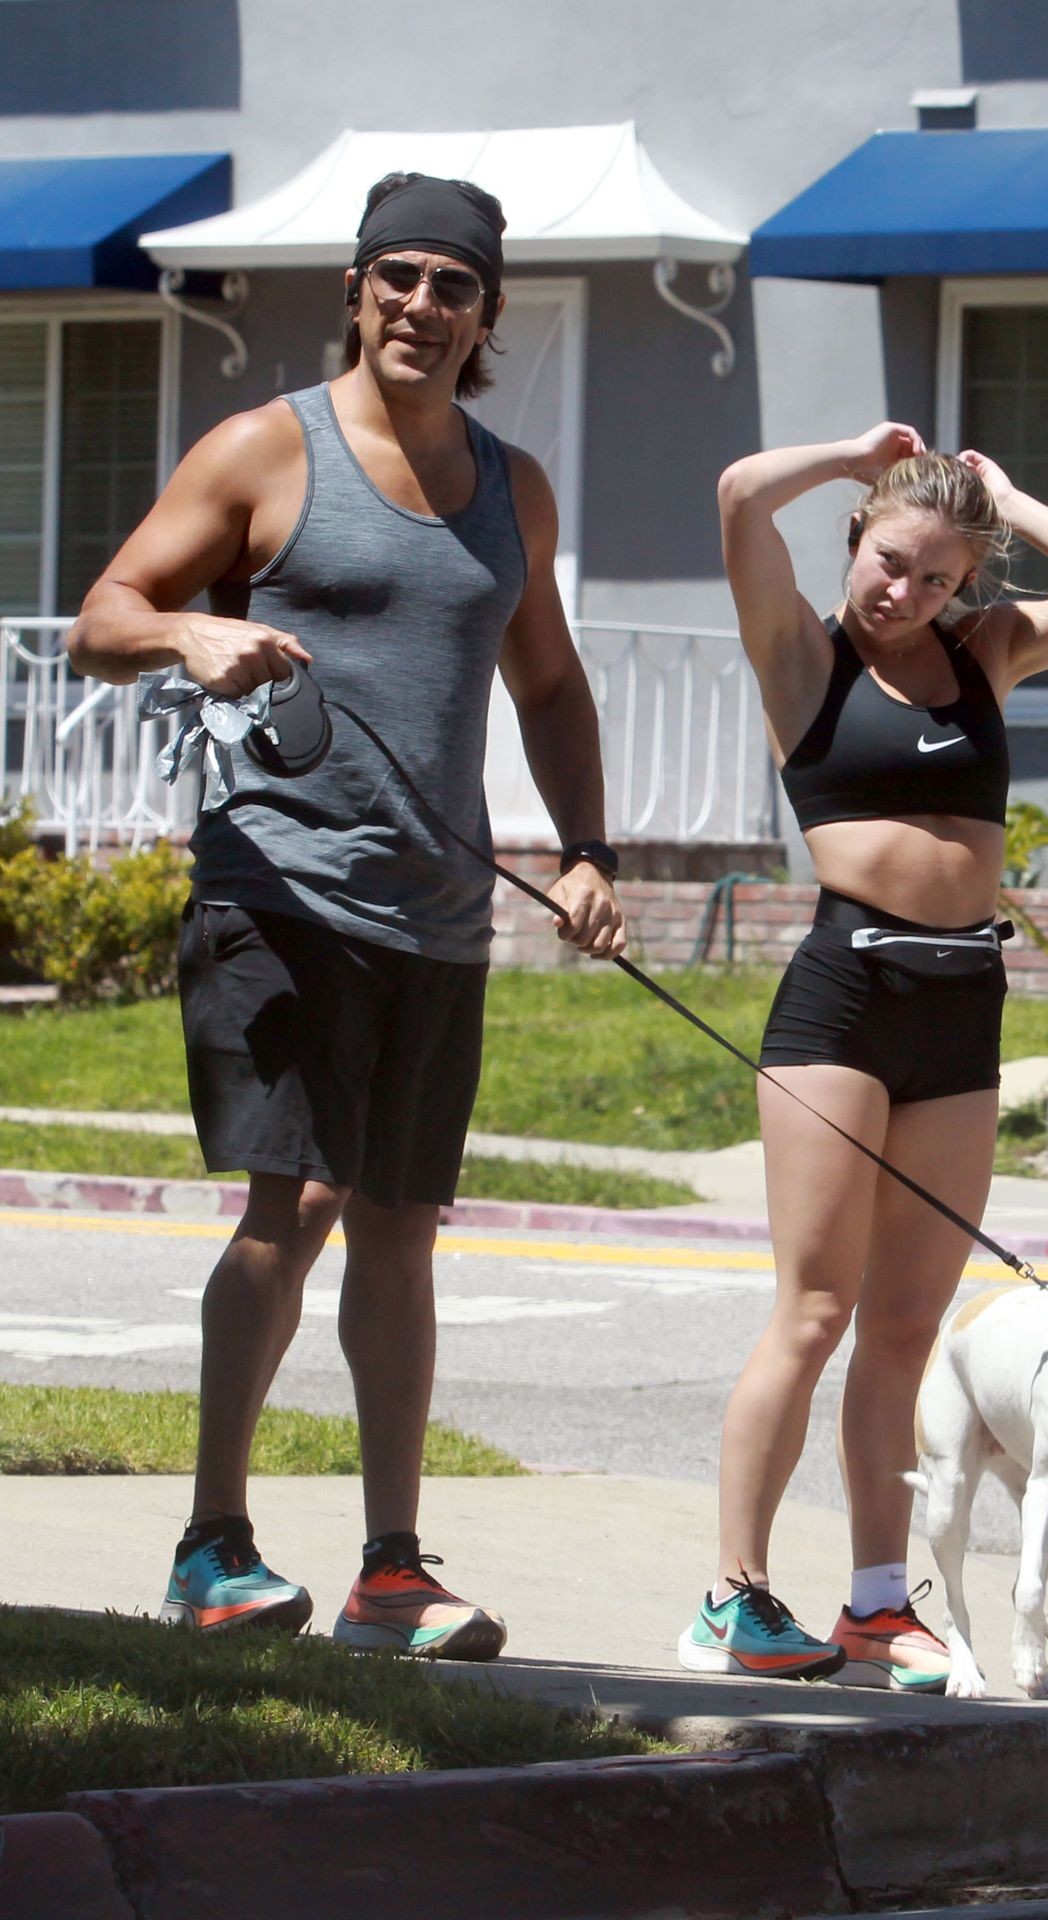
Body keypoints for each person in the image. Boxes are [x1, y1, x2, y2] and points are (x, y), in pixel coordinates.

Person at [68, 171, 625, 1659]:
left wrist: (586, 851)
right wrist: (190, 630)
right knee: (298, 1199)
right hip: (278, 885)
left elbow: (550, 683)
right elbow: (101, 619)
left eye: (454, 285)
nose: (421, 306)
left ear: (486, 314)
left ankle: (391, 1572)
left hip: (436, 910)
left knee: (398, 1225)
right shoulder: (266, 448)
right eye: (399, 276)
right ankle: (212, 1547)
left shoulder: (514, 488)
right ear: (357, 289)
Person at [678, 425, 1048, 1688]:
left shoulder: (981, 651)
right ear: (855, 538)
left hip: (960, 1004)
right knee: (814, 1310)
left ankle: (876, 1603)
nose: (905, 591)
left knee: (902, 1328)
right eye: (890, 562)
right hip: (844, 997)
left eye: (937, 577)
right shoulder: (801, 654)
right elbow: (737, 493)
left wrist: (1005, 497)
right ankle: (730, 1596)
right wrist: (853, 453)